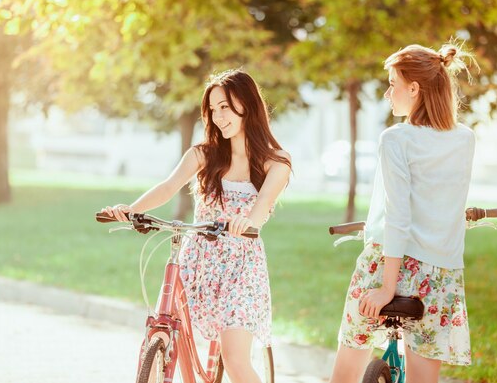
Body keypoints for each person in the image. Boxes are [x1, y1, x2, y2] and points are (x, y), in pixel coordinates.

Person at [102, 69, 291, 383]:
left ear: (247, 105)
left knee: (234, 360)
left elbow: (261, 207)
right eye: (213, 109)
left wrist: (245, 221)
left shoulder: (276, 162)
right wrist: (131, 210)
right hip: (197, 260)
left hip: (241, 267)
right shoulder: (203, 155)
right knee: (175, 332)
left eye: (225, 107)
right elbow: (167, 187)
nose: (217, 116)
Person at [330, 43, 477, 383]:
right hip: (441, 277)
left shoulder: (396, 139)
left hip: (388, 264)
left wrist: (386, 288)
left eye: (392, 84)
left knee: (345, 373)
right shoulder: (465, 139)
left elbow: (398, 217)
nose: (387, 93)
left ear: (414, 88)